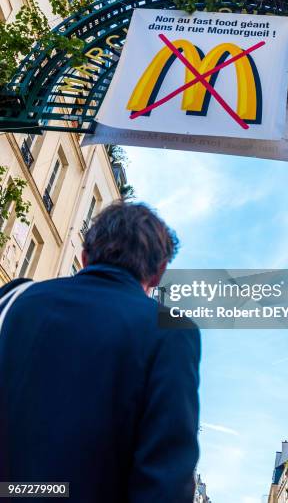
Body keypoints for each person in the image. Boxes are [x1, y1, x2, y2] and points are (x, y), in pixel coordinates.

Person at [0, 202, 200, 503]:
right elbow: (165, 480)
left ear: (84, 256)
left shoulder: (14, 300)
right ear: (159, 273)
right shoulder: (171, 329)